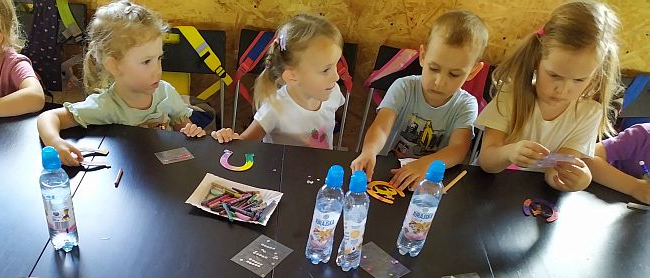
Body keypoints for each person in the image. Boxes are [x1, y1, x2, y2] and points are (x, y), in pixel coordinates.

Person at [476, 1, 622, 193]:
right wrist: (509, 153)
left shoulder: (589, 113)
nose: (562, 90)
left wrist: (576, 180)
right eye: (554, 75)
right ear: (537, 60)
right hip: (488, 188)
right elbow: (487, 162)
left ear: (595, 75)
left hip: (534, 197)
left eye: (579, 80)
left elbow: (554, 174)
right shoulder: (511, 96)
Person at [38, 0, 205, 166]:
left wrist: (190, 132)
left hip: (165, 172)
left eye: (159, 58)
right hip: (128, 173)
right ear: (114, 66)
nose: (158, 71)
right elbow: (48, 117)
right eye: (147, 61)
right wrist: (55, 142)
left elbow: (182, 127)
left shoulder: (166, 92)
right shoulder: (106, 105)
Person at [351, 10, 488, 189]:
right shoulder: (404, 87)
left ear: (473, 72)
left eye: (454, 74)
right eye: (434, 68)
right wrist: (369, 151)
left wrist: (425, 164)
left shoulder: (466, 105)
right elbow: (381, 127)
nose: (439, 82)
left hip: (430, 179)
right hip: (388, 172)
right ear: (422, 56)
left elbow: (458, 149)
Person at [211, 14, 345, 150]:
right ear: (292, 76)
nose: (336, 77)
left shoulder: (333, 92)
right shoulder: (274, 108)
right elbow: (244, 143)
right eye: (326, 70)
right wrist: (227, 137)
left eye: (336, 64)